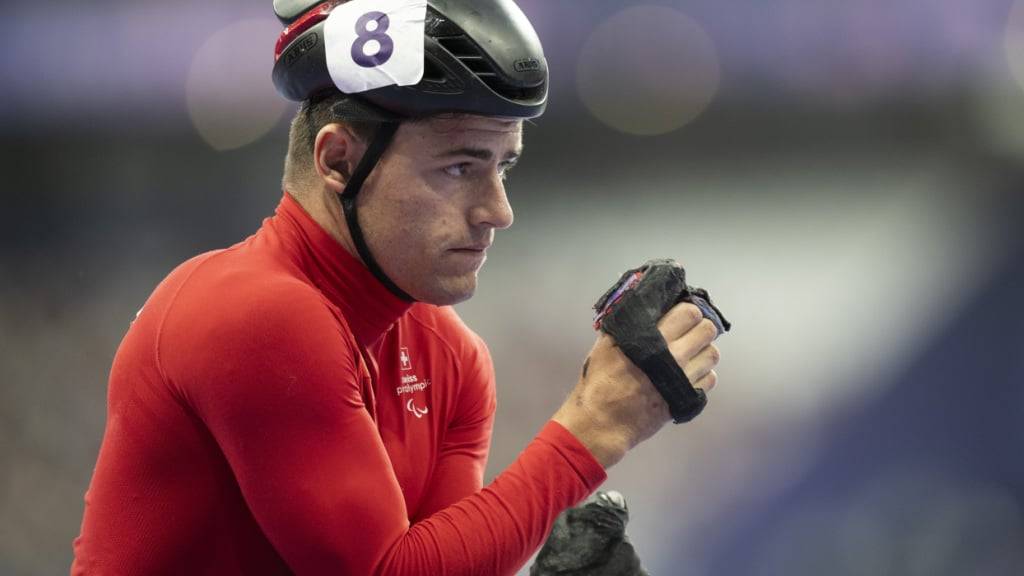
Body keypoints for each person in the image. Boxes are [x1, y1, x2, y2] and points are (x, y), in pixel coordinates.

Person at [71, 0, 722, 573]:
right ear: (339, 161)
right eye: (460, 166)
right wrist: (597, 424)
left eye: (503, 166)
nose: (498, 210)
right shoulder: (250, 310)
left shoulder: (451, 356)